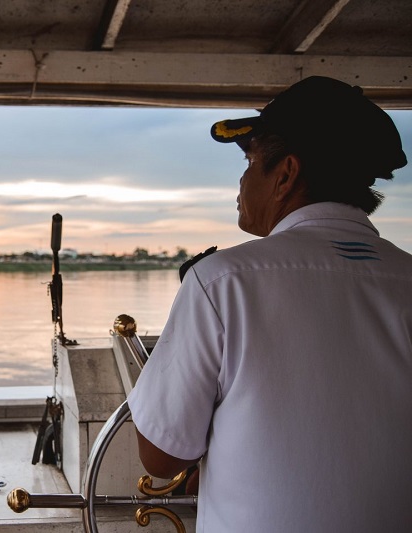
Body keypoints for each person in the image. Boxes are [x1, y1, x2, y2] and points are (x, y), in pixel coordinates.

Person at [127, 76, 412, 532]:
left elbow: (161, 456)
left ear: (285, 174)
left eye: (250, 160)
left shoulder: (220, 282)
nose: (241, 181)